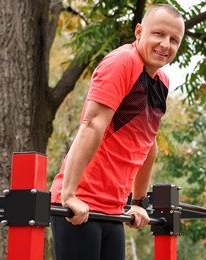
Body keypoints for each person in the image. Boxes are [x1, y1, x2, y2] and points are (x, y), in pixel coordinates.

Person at [49, 4, 185, 260]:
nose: (165, 44)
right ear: (139, 32)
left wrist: (138, 202)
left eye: (174, 39)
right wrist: (69, 195)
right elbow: (92, 125)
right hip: (81, 204)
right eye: (158, 34)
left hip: (113, 210)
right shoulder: (122, 62)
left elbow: (148, 144)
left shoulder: (161, 82)